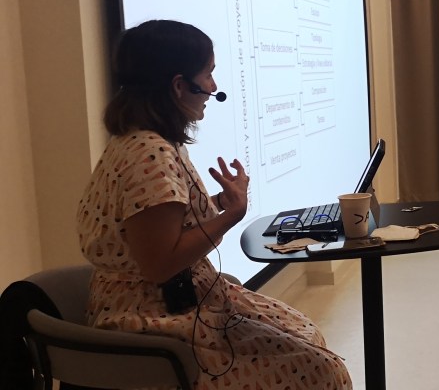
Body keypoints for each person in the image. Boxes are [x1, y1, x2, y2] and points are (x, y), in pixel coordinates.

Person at [76, 21, 352, 389]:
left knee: (304, 333)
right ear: (179, 86)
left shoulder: (139, 141)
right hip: (153, 320)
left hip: (166, 303)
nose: (213, 86)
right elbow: (160, 264)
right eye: (208, 74)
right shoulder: (150, 154)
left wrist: (218, 203)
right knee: (322, 371)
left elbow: (156, 226)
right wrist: (231, 215)